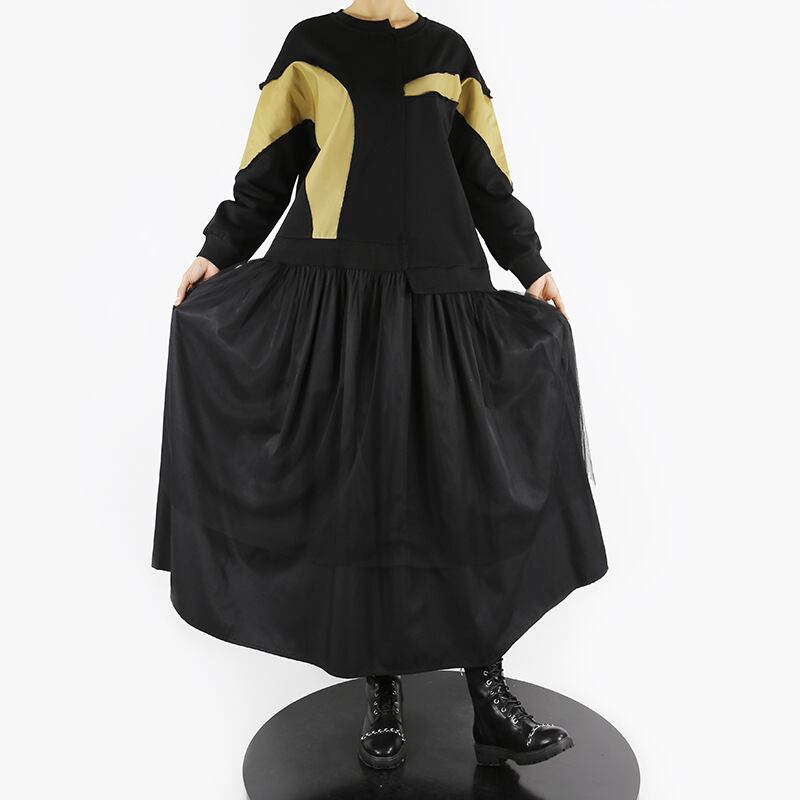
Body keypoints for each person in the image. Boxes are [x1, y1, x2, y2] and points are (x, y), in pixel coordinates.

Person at [152, 1, 608, 771]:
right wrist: (218, 251)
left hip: (443, 297)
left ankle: (489, 697)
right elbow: (266, 173)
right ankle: (382, 692)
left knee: (461, 495)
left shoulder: (448, 52)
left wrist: (531, 265)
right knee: (360, 499)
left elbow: (486, 179)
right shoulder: (309, 46)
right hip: (338, 301)